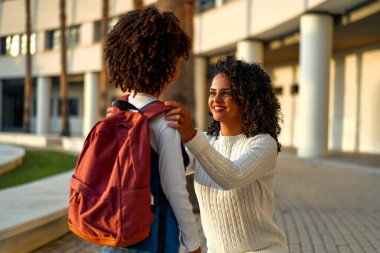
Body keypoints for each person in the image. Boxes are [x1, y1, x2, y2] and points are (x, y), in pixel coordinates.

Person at [102, 7, 201, 253]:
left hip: (113, 235)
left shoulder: (117, 112)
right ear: (169, 69)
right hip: (151, 239)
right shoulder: (164, 122)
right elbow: (175, 190)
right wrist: (193, 243)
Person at [165, 56, 289, 253]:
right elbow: (165, 169)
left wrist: (191, 136)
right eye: (213, 93)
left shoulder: (263, 143)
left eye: (226, 93)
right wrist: (128, 124)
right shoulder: (204, 142)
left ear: (246, 98)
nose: (216, 100)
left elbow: (232, 176)